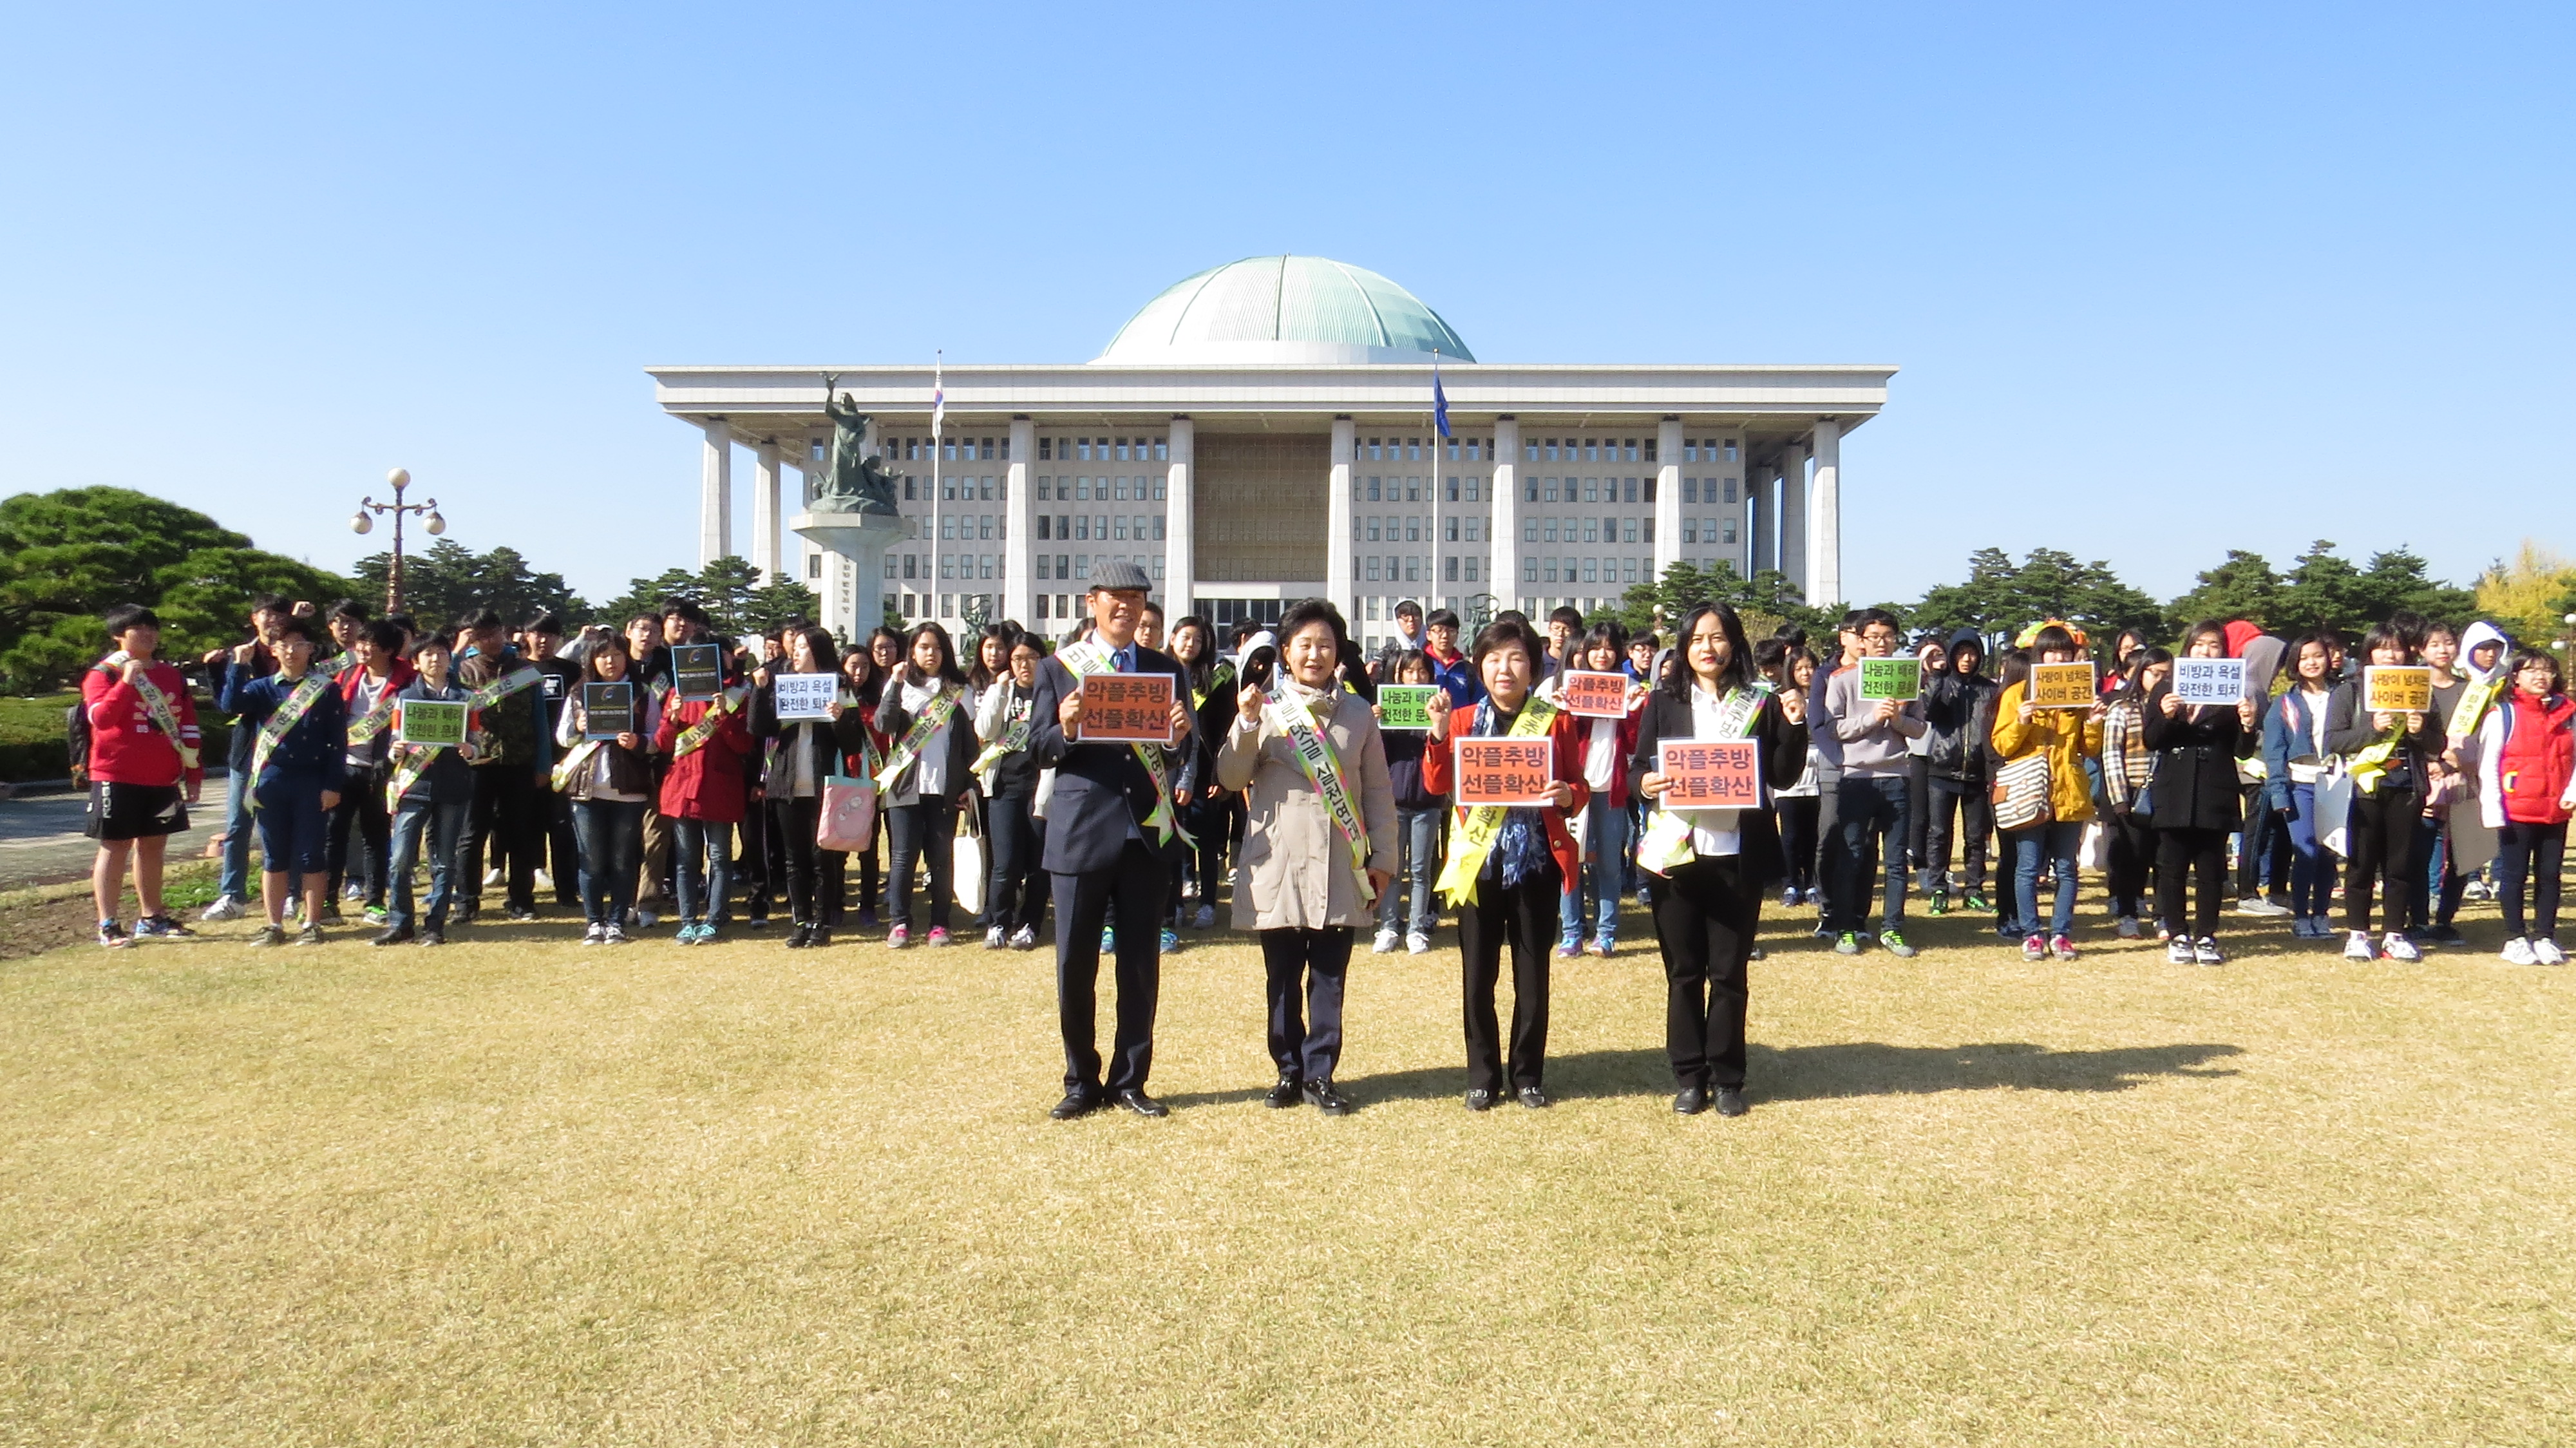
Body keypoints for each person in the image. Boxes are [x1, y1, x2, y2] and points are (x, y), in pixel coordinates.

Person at [1029, 560, 1199, 1119]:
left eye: (1136, 598)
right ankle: (1080, 1080)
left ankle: (1130, 1080)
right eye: (1115, 597)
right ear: (1092, 602)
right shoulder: (1058, 668)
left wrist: (1175, 740)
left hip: (1146, 835)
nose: (1126, 607)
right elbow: (1036, 748)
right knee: (1075, 965)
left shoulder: (1164, 668)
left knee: (1140, 966)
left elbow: (1179, 748)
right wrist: (1066, 727)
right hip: (1080, 831)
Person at [1631, 602, 1808, 1116]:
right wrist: (1646, 783)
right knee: (1684, 971)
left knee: (1729, 974)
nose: (1708, 648)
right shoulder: (1664, 700)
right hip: (1677, 853)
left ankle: (1729, 1078)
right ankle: (1690, 1076)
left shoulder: (1761, 701)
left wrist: (1795, 724)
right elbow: (1637, 768)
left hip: (1737, 855)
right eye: (1697, 639)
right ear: (1684, 648)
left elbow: (1782, 774)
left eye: (1718, 637)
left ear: (1734, 643)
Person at [1218, 599, 1395, 1116]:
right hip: (1278, 861)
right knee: (1281, 976)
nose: (1314, 654)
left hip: (1341, 862)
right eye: (1304, 645)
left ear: (1338, 653)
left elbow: (1378, 792)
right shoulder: (1264, 707)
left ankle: (1320, 1074)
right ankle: (1287, 1071)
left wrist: (1383, 859)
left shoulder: (1358, 714)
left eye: (1325, 645)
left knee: (1329, 977)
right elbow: (1231, 776)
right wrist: (1246, 721)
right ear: (1285, 652)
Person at [1421, 618, 1587, 1111]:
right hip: (1479, 863)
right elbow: (1435, 784)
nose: (1505, 668)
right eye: (1494, 659)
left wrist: (1567, 794)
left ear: (1533, 668)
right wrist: (1437, 734)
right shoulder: (1461, 720)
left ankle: (1527, 1075)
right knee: (1478, 975)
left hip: (1536, 862)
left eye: (1516, 658)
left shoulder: (1555, 720)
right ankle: (1482, 1074)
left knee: (1532, 976)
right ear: (1481, 667)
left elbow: (1579, 788)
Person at [218, 614, 350, 946]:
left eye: (299, 644)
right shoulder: (261, 688)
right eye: (284, 645)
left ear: (311, 649)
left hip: (311, 781)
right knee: (273, 855)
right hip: (270, 781)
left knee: (311, 854)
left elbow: (338, 741)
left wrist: (333, 784)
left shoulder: (327, 689)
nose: (291, 651)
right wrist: (238, 667)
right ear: (274, 650)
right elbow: (230, 705)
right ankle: (274, 925)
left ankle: (312, 923)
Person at [82, 605, 205, 947]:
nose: (149, 634)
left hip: (163, 776)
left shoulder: (171, 675)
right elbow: (101, 719)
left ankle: (152, 917)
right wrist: (126, 682)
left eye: (153, 628)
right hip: (116, 773)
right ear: (118, 635)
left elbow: (187, 725)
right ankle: (108, 924)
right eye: (139, 628)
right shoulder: (103, 673)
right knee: (115, 846)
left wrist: (194, 771)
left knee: (154, 846)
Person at [2324, 622, 2447, 962]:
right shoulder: (2350, 690)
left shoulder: (2420, 689)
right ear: (2369, 653)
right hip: (2363, 788)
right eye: (2382, 648)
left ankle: (2394, 933)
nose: (2390, 655)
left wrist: (2420, 731)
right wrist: (2372, 729)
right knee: (2361, 864)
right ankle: (2358, 933)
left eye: (2396, 648)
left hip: (2406, 786)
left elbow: (2438, 743)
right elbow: (2333, 740)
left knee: (2400, 865)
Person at [2143, 621, 2261, 964]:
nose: (2206, 651)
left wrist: (2248, 724)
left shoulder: (2233, 687)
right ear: (2188, 647)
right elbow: (2152, 740)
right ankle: (2178, 934)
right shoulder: (2167, 686)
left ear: (2224, 651)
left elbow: (2242, 751)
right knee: (2172, 867)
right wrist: (2167, 716)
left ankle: (2207, 935)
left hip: (2215, 787)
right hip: (2174, 787)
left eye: (2214, 645)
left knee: (2211, 870)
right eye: (2199, 644)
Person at [1987, 625, 2105, 960]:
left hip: (2069, 790)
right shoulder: (2018, 693)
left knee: (2066, 867)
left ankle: (2061, 934)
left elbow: (2089, 749)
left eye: (2065, 652)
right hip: (2029, 791)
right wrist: (2022, 721)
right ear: (2039, 655)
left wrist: (2094, 721)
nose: (2059, 658)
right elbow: (2002, 745)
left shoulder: (2080, 693)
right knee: (2027, 867)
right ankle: (2032, 934)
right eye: (2052, 651)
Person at [1820, 608, 1926, 956]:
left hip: (1897, 776)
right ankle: (1846, 928)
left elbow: (1920, 729)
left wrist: (1897, 720)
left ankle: (1893, 928)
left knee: (1896, 861)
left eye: (1889, 637)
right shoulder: (1842, 679)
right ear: (1861, 640)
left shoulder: (1908, 678)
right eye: (1874, 637)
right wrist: (1871, 718)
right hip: (1856, 777)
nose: (1882, 643)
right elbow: (1833, 728)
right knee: (1851, 855)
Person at [875, 622, 980, 948]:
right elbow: (884, 724)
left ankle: (940, 924)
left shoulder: (959, 691)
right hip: (905, 787)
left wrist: (969, 784)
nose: (930, 653)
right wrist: (895, 683)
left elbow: (969, 746)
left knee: (941, 859)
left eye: (936, 647)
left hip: (945, 789)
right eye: (923, 647)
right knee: (903, 858)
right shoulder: (901, 686)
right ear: (912, 651)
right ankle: (899, 923)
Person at [553, 634, 658, 944]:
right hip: (587, 788)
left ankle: (617, 922)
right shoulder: (579, 692)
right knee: (591, 860)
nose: (610, 661)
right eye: (602, 655)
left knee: (623, 860)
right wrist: (578, 727)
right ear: (592, 659)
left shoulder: (643, 693)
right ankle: (594, 922)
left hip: (629, 789)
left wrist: (639, 742)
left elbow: (657, 737)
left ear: (626, 657)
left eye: (616, 654)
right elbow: (563, 738)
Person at [1549, 622, 1643, 958]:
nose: (1602, 655)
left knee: (1609, 864)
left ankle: (1606, 933)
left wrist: (1633, 712)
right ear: (1585, 651)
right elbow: (1564, 739)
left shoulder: (1629, 688)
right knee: (1570, 861)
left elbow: (1634, 744)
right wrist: (1565, 711)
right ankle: (1572, 932)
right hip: (1576, 789)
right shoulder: (1571, 686)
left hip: (1610, 788)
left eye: (1609, 648)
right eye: (1596, 648)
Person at [2476, 648, 2575, 964]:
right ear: (2516, 676)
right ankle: (2515, 937)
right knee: (2514, 875)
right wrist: (2493, 809)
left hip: (2555, 809)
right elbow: (2488, 764)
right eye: (2531, 670)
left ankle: (2545, 936)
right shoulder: (2504, 714)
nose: (2540, 676)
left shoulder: (2569, 713)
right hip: (2515, 809)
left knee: (2550, 875)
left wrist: (2572, 792)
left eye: (2546, 670)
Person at [379, 634, 477, 946]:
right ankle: (400, 922)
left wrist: (470, 750)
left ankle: (436, 924)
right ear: (416, 662)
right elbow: (394, 743)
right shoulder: (405, 698)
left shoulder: (466, 699)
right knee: (400, 859)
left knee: (445, 860)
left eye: (441, 653)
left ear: (450, 658)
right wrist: (395, 751)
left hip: (453, 785)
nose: (435, 660)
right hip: (414, 785)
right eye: (428, 654)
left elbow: (477, 743)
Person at [455, 610, 553, 922]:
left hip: (519, 762)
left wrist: (543, 764)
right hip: (475, 765)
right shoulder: (462, 670)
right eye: (482, 636)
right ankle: (466, 900)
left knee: (520, 833)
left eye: (494, 632)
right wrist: (459, 650)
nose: (491, 640)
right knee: (472, 835)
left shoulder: (524, 671)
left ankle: (521, 899)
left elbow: (539, 719)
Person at [652, 646, 752, 944]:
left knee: (719, 857)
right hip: (683, 787)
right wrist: (672, 717)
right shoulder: (677, 694)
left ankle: (714, 918)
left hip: (719, 787)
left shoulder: (735, 696)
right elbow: (662, 744)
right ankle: (688, 921)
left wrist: (724, 717)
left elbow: (745, 745)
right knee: (686, 859)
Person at [199, 593, 289, 922]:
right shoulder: (239, 655)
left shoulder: (298, 654)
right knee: (238, 826)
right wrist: (220, 669)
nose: (273, 621)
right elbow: (227, 704)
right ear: (254, 618)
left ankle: (289, 893)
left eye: (280, 615)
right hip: (248, 753)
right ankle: (232, 895)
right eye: (267, 614)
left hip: (287, 757)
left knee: (282, 828)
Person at [328, 620, 414, 927]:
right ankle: (327, 900)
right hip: (345, 765)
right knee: (334, 833)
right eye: (360, 643)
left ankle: (375, 901)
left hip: (382, 770)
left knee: (376, 837)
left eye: (370, 644)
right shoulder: (346, 675)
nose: (362, 649)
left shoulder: (408, 681)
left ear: (389, 650)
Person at [2260, 632, 2342, 940]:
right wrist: (2279, 793)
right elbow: (2274, 751)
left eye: (2318, 655)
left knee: (2328, 851)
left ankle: (2321, 914)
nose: (2312, 662)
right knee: (2305, 849)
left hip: (2336, 782)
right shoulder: (2284, 703)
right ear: (2295, 663)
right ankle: (2300, 916)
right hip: (2300, 784)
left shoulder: (2343, 696)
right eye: (2304, 657)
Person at [973, 634, 1050, 949]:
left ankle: (1030, 924)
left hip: (1040, 788)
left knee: (1038, 864)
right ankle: (998, 923)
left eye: (1031, 657)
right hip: (1004, 787)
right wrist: (999, 691)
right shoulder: (1002, 689)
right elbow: (984, 730)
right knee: (1004, 864)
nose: (1024, 665)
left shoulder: (1052, 691)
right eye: (1018, 658)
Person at [1918, 627, 1995, 917]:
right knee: (1939, 833)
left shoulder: (1989, 690)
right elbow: (1929, 712)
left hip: (1977, 771)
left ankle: (1974, 889)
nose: (1966, 659)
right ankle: (1939, 889)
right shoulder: (1943, 683)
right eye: (1961, 653)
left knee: (1976, 836)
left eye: (1972, 653)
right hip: (1942, 768)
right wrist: (1937, 678)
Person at [1372, 651, 1444, 954]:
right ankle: (1388, 926)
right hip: (1394, 800)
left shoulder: (1437, 708)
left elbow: (1443, 750)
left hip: (1428, 801)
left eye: (1422, 671)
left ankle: (1416, 929)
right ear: (1399, 676)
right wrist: (1375, 723)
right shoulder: (1390, 707)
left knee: (1420, 870)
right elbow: (1376, 755)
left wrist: (1439, 724)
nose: (1416, 677)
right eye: (1410, 672)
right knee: (1392, 868)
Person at [2101, 647, 2172, 937]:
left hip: (2168, 792)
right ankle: (2128, 914)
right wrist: (2119, 800)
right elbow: (2111, 755)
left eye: (2167, 674)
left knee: (2165, 858)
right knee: (2132, 858)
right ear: (2141, 673)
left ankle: (2163, 915)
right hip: (2133, 791)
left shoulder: (2176, 708)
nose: (2160, 679)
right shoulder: (2123, 709)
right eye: (2155, 673)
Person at [523, 612, 583, 910]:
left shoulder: (571, 670)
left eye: (549, 634)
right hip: (527, 760)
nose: (543, 640)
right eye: (537, 634)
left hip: (565, 760)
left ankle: (567, 891)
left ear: (559, 639)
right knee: (527, 828)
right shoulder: (519, 671)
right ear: (527, 636)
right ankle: (523, 894)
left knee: (563, 828)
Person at [838, 643, 889, 929]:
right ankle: (836, 903)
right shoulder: (835, 697)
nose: (859, 672)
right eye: (853, 666)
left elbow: (883, 744)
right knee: (836, 846)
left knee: (868, 848)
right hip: (840, 779)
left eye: (865, 666)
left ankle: (868, 905)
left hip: (870, 781)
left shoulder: (877, 700)